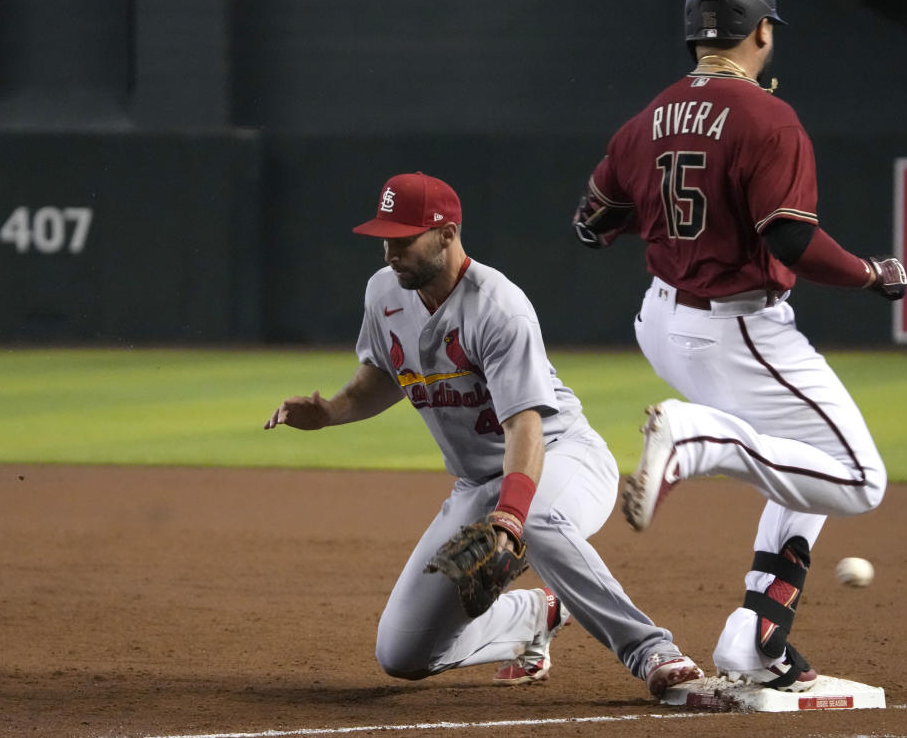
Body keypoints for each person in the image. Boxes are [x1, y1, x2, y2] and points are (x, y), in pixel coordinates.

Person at [571, 0, 907, 692]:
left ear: (695, 36)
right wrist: (869, 273)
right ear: (762, 31)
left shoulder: (648, 118)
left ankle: (756, 636)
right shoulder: (767, 118)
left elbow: (590, 223)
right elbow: (790, 242)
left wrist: (660, 213)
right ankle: (697, 439)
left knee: (804, 461)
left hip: (663, 319)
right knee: (858, 479)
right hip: (736, 326)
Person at [265, 171, 702, 699]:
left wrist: (510, 516)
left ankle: (651, 649)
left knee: (536, 520)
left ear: (447, 234)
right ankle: (534, 616)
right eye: (385, 237)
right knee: (401, 654)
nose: (390, 252)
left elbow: (526, 426)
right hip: (476, 484)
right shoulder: (384, 293)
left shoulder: (498, 307)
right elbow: (384, 374)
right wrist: (331, 411)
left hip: (561, 456)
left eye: (404, 238)